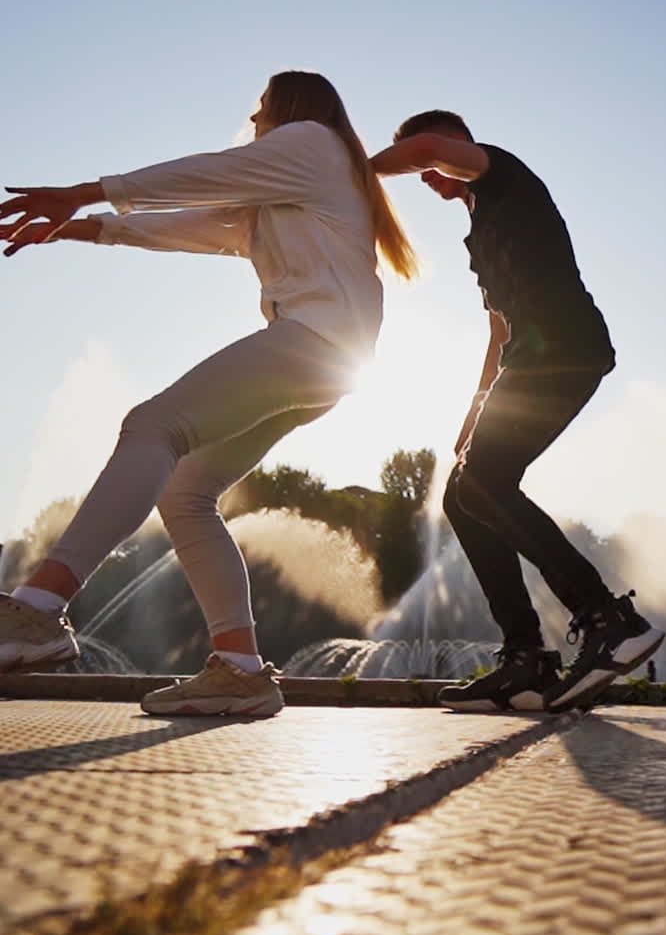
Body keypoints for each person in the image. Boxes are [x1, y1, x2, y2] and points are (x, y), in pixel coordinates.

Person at [0, 71, 416, 716]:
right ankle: (241, 669)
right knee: (185, 494)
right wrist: (73, 226)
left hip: (314, 344)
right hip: (328, 365)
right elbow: (193, 226)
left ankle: (36, 611)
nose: (254, 123)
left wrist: (83, 191)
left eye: (260, 112)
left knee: (152, 426)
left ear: (289, 110)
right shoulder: (289, 193)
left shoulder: (312, 142)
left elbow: (208, 173)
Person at [372, 112, 663, 714]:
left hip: (569, 347)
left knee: (483, 482)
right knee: (464, 493)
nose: (423, 174)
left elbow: (430, 146)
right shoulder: (479, 227)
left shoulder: (500, 172)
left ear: (456, 147)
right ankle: (526, 659)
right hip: (528, 361)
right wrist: (473, 413)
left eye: (426, 164)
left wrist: (345, 168)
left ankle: (605, 616)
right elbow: (499, 331)